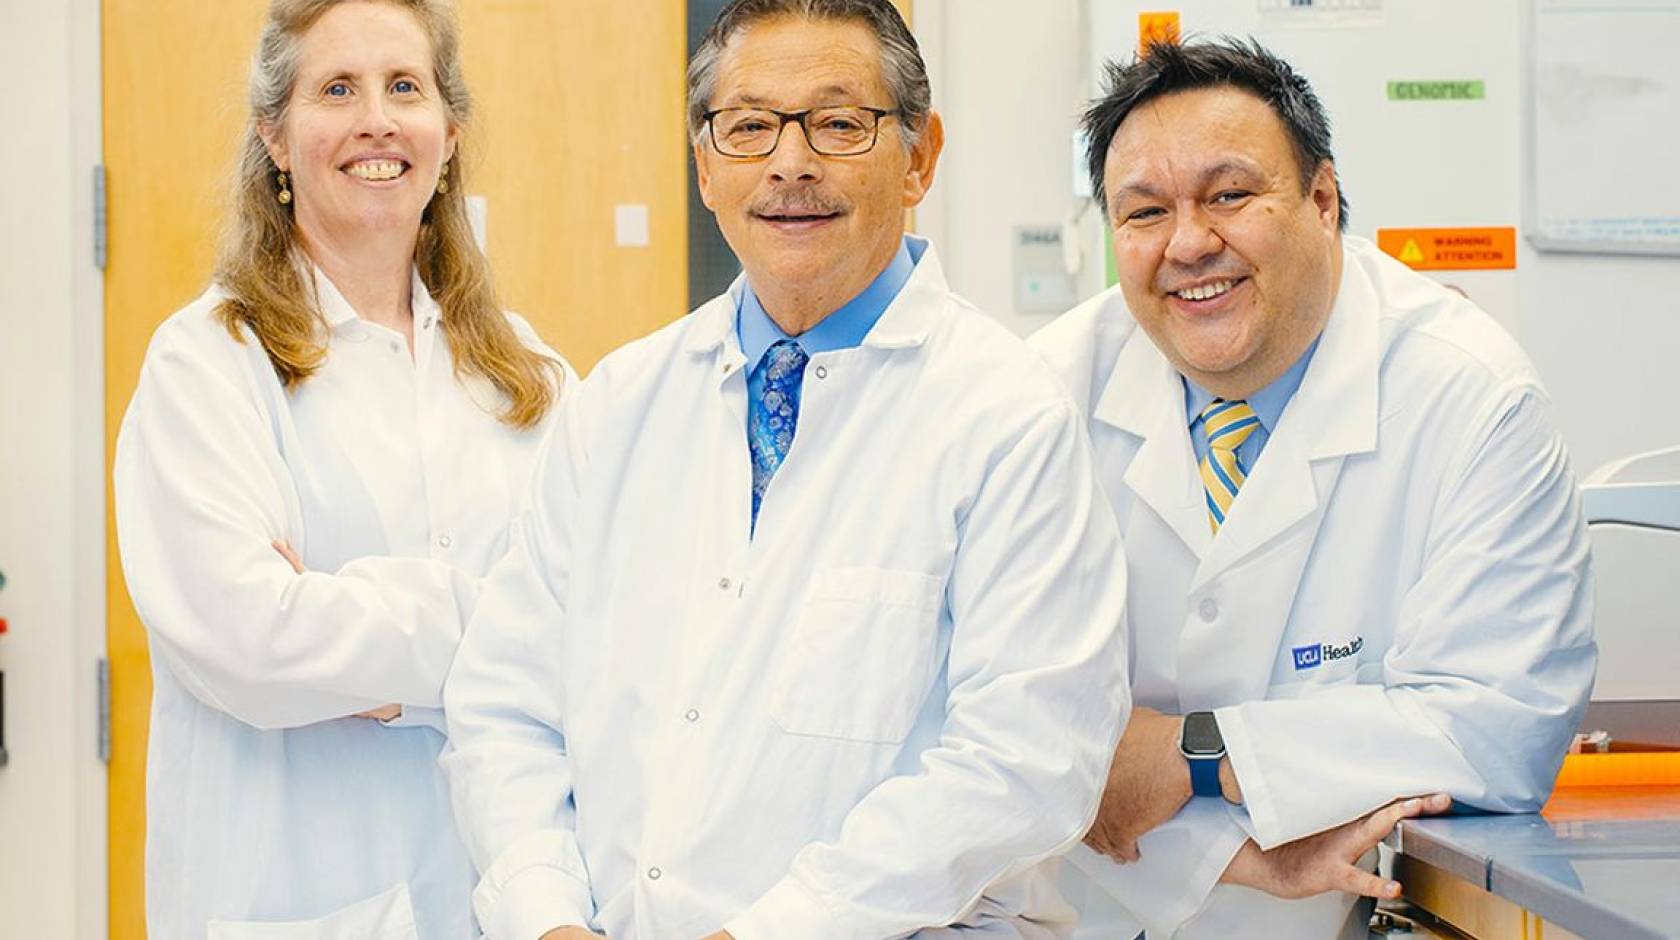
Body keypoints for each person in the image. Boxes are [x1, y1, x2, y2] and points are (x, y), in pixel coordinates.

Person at [440, 2, 1129, 938]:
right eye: (750, 126)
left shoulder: (1006, 417)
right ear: (705, 168)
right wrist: (545, 915)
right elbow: (504, 702)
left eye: (840, 124)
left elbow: (1027, 757)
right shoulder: (619, 404)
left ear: (920, 157)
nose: (789, 163)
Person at [1028, 38, 1596, 940]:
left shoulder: (1471, 396)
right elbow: (1010, 733)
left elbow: (1495, 727)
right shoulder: (1042, 393)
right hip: (1087, 912)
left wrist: (1190, 754)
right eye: (1144, 212)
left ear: (1322, 200)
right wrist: (1233, 851)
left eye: (1229, 195)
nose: (1187, 244)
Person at [113, 1, 567, 936]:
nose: (377, 120)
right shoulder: (208, 363)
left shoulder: (532, 375)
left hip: (503, 896)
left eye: (406, 86)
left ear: (449, 133)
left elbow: (606, 627)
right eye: (336, 89)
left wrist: (353, 626)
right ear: (275, 137)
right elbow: (250, 641)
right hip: (289, 897)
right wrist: (501, 630)